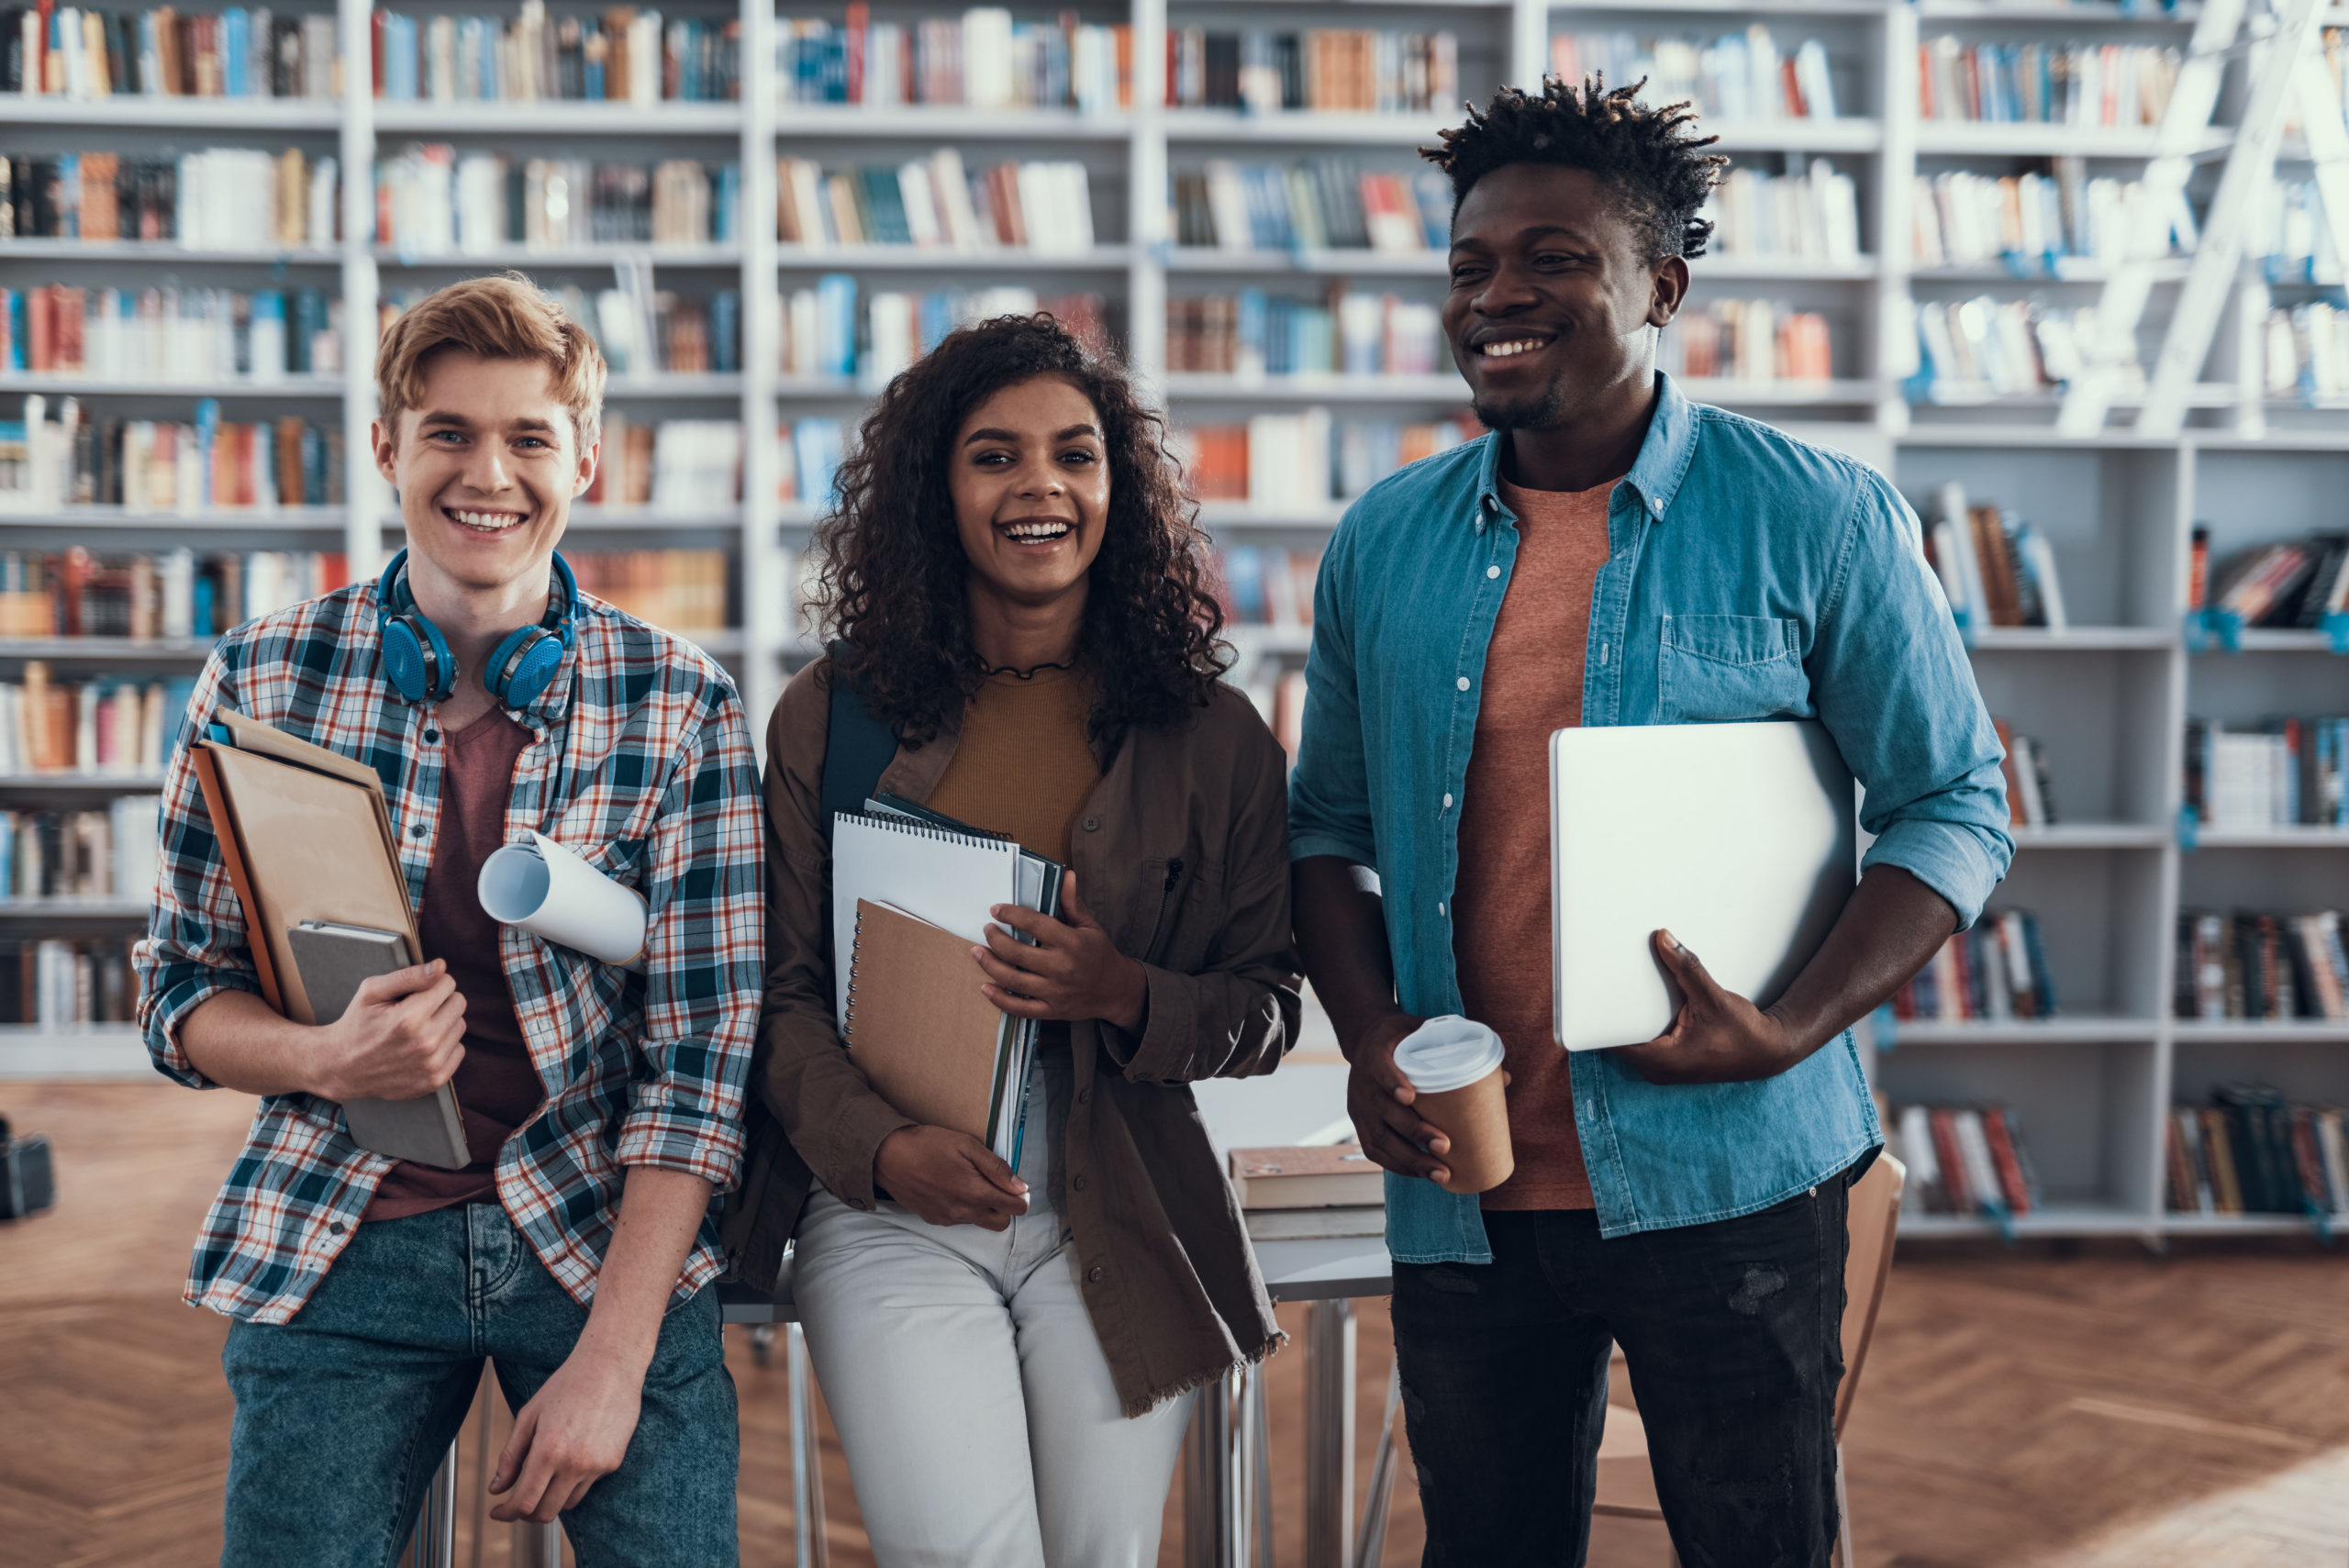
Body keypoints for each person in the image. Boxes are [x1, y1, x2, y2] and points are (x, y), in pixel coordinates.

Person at [1288, 80, 2014, 1565]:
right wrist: (1371, 1042)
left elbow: (1955, 804)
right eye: (1472, 265)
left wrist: (1793, 1025)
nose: (1498, 295)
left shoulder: (1822, 517)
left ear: (1660, 285)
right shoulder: (1381, 542)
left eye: (1552, 258)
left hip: (1734, 1172)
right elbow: (1326, 837)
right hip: (1467, 1193)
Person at [134, 273, 762, 1567]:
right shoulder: (259, 678)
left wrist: (616, 1360)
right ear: (387, 448)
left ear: (584, 458)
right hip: (345, 1216)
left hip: (596, 1224)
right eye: (449, 433)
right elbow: (176, 996)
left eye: (530, 437)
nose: (491, 473)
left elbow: (705, 1061)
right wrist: (323, 1059)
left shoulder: (680, 702)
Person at [721, 313, 1301, 1568]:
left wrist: (1125, 989)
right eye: (994, 456)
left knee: (1102, 1555)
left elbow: (1268, 1003)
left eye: (1076, 454)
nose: (1040, 484)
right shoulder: (830, 717)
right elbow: (776, 998)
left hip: (1123, 1197)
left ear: (1118, 488)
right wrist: (882, 1149)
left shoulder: (1216, 738)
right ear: (938, 488)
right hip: (887, 1204)